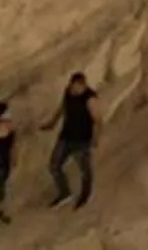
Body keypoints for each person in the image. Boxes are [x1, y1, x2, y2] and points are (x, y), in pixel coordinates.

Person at [46, 75, 96, 210]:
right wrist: (52, 123)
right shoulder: (68, 92)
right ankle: (64, 193)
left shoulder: (90, 98)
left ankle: (85, 195)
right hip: (66, 136)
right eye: (72, 86)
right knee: (54, 165)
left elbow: (98, 119)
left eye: (77, 88)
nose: (74, 89)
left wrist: (96, 138)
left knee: (84, 169)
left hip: (82, 139)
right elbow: (63, 108)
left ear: (83, 86)